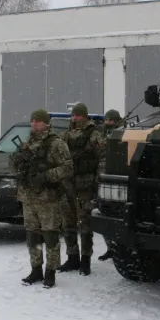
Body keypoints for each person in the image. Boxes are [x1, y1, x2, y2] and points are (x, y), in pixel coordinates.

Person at [9, 109, 73, 288]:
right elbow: (12, 165)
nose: (34, 123)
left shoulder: (56, 144)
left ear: (46, 123)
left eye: (38, 121)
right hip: (28, 196)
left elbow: (67, 168)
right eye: (32, 120)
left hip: (48, 197)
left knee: (50, 235)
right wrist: (17, 160)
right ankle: (36, 270)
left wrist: (45, 176)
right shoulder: (27, 142)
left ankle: (50, 272)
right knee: (32, 235)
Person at [58, 103, 106, 275]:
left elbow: (103, 160)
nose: (75, 118)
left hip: (85, 187)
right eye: (73, 115)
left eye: (78, 115)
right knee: (68, 224)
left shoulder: (95, 136)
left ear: (85, 116)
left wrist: (97, 182)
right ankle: (72, 258)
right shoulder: (64, 136)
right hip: (67, 186)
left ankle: (85, 259)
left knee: (84, 224)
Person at [98, 108, 123, 261]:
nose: (108, 122)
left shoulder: (122, 133)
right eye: (106, 120)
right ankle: (110, 248)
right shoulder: (101, 133)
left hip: (116, 180)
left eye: (111, 120)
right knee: (104, 215)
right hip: (102, 178)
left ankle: (117, 248)